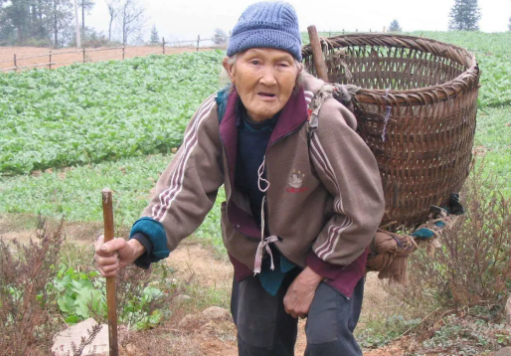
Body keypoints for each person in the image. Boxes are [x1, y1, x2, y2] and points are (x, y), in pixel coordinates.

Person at [95, 1, 385, 355]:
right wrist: (137, 244)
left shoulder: (320, 118)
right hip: (259, 252)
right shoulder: (218, 115)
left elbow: (362, 208)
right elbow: (183, 188)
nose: (268, 77)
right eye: (255, 62)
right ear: (231, 69)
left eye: (282, 64)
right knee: (257, 345)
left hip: (331, 246)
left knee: (328, 342)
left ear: (297, 71)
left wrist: (313, 274)